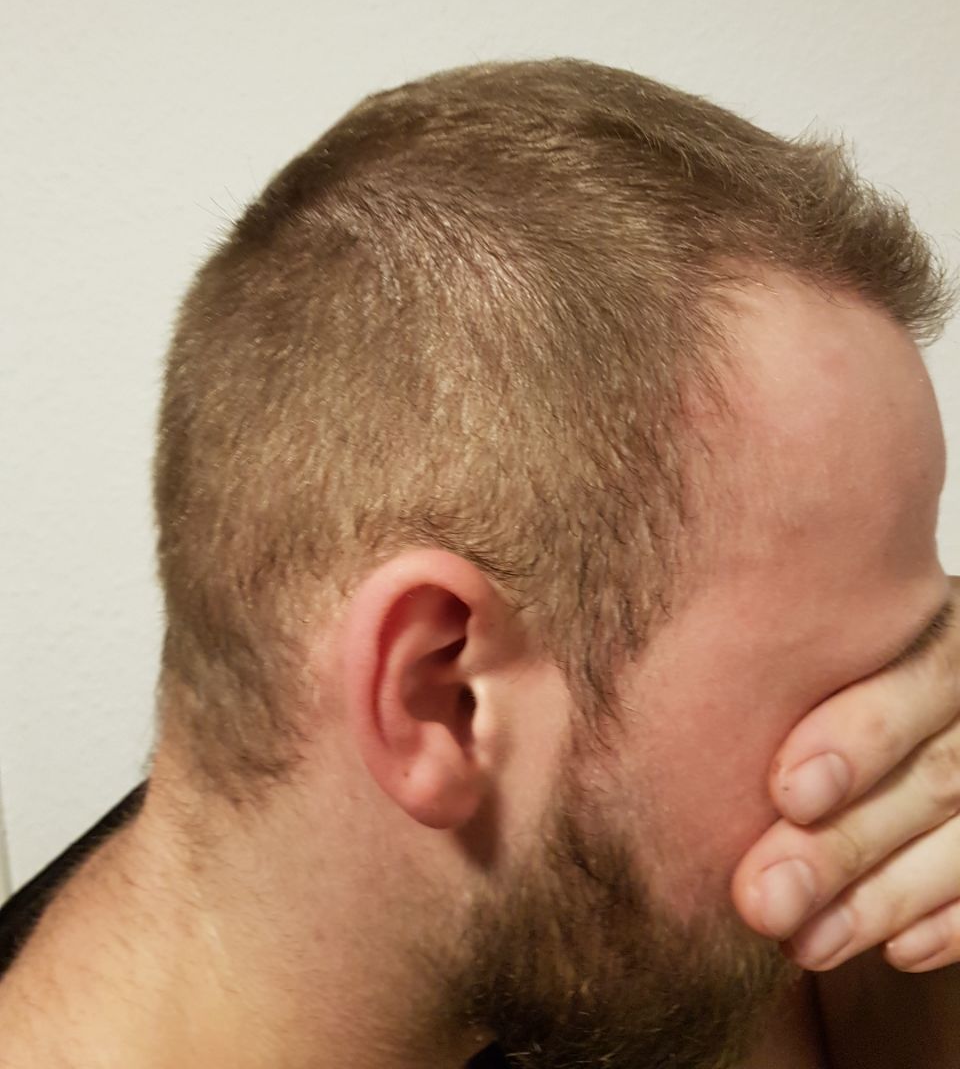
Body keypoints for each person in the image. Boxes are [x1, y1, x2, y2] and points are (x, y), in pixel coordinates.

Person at [1, 58, 959, 1069]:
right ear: (442, 693)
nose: (907, 730)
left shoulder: (575, 934)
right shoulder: (628, 914)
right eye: (848, 681)